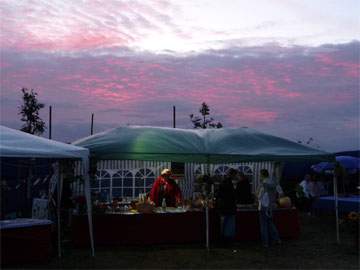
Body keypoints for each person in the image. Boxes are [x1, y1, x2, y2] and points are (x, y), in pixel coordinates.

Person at [257, 169, 284, 248]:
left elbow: (259, 196)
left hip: (263, 206)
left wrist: (257, 196)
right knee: (271, 223)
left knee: (264, 225)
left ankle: (265, 243)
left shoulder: (263, 184)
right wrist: (276, 200)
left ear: (261, 175)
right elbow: (281, 193)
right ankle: (277, 239)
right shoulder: (275, 183)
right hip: (271, 206)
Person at [215, 168, 237, 245]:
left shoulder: (224, 182)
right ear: (232, 174)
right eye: (235, 175)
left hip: (224, 207)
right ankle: (226, 240)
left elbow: (219, 194)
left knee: (225, 225)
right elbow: (230, 196)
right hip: (228, 207)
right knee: (228, 225)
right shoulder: (228, 183)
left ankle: (224, 239)